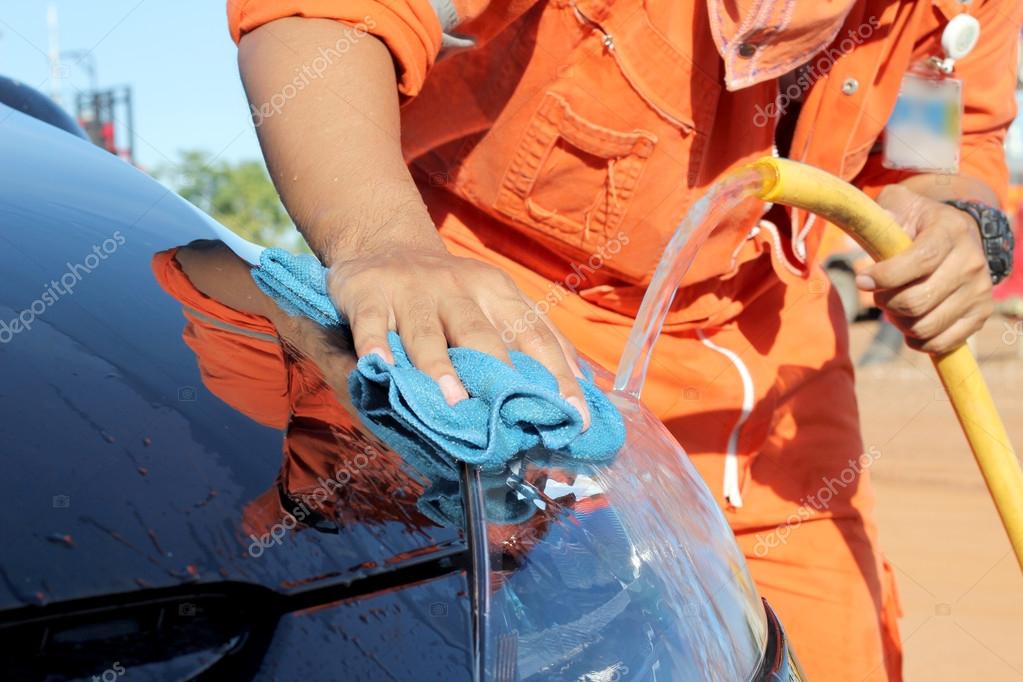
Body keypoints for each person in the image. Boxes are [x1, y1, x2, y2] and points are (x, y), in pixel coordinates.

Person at [226, 1, 1020, 679]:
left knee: (828, 646)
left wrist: (955, 220)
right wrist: (379, 238)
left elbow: (933, 151)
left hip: (772, 361)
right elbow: (323, 19)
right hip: (509, 346)